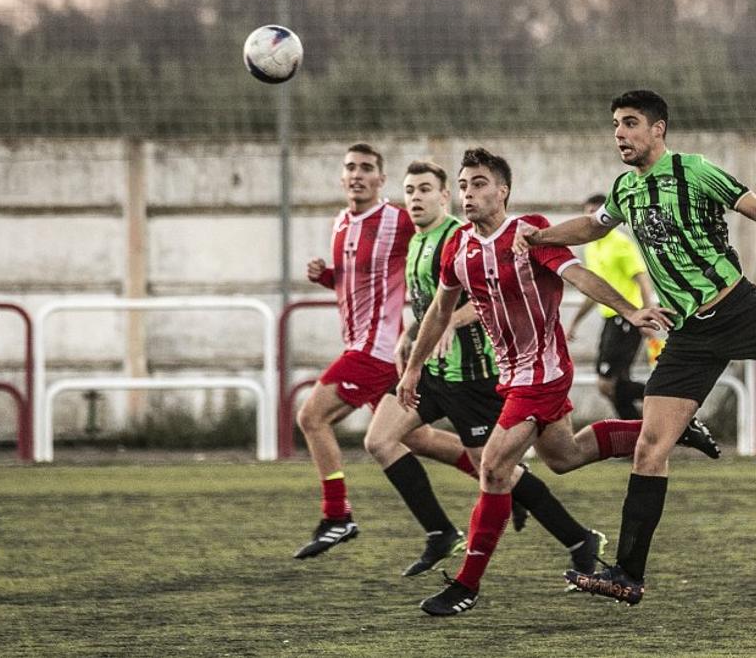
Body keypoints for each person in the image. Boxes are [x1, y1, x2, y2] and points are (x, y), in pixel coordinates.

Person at [395, 147, 716, 617]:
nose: (468, 193)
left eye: (479, 183)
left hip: (541, 372)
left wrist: (629, 310)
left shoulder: (530, 233)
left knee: (494, 468)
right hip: (513, 376)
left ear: (503, 191)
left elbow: (580, 274)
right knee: (565, 457)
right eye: (463, 185)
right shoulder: (457, 246)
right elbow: (440, 311)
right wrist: (413, 366)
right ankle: (668, 430)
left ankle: (466, 584)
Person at [518, 89, 756, 605]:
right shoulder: (626, 188)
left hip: (739, 308)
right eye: (615, 126)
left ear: (658, 129)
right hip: (689, 335)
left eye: (629, 124)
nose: (619, 134)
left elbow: (752, 206)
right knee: (650, 447)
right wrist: (539, 237)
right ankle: (627, 574)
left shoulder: (695, 171)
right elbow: (591, 226)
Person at [366, 160, 604, 580]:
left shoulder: (459, 236)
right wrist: (411, 344)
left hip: (472, 373)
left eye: (425, 189)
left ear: (444, 198)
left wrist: (449, 325)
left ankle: (575, 537)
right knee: (382, 439)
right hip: (434, 371)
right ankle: (440, 531)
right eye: (409, 190)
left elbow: (484, 296)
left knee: (497, 469)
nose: (415, 198)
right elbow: (430, 305)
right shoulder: (420, 241)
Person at [294, 143, 478, 560]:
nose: (357, 174)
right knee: (420, 438)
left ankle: (337, 515)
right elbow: (356, 282)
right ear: (342, 178)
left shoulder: (397, 218)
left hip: (375, 352)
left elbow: (443, 242)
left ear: (380, 179)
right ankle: (507, 479)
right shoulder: (341, 221)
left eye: (366, 168)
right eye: (350, 168)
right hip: (370, 350)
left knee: (311, 416)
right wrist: (327, 277)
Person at [563, 193, 658, 420]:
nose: (591, 219)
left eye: (595, 214)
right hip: (610, 320)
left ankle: (666, 399)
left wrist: (646, 316)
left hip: (627, 319)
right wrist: (574, 323)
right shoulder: (591, 247)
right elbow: (593, 290)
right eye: (587, 214)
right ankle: (636, 434)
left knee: (607, 384)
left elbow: (643, 280)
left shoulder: (620, 243)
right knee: (616, 383)